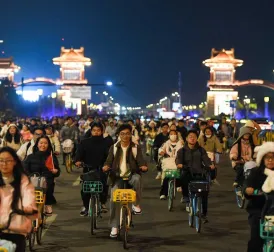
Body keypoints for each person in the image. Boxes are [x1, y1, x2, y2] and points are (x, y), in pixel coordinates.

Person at [102, 124, 148, 238]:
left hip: (131, 175)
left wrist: (143, 166)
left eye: (127, 133)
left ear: (131, 134)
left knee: (137, 179)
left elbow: (141, 161)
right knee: (114, 199)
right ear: (118, 135)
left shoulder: (135, 147)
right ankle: (114, 226)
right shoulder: (114, 147)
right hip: (117, 177)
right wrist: (106, 167)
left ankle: (136, 204)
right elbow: (108, 161)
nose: (125, 136)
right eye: (122, 134)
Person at [0, 147, 37, 252]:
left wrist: (28, 208)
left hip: (15, 228)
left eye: (8, 160)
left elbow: (28, 197)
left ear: (15, 162)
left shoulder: (23, 181)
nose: (4, 164)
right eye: (1, 160)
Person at [176, 130, 213, 222]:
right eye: (190, 136)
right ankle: (186, 197)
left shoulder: (201, 150)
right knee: (183, 176)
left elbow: (206, 160)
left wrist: (210, 165)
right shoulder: (182, 151)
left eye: (194, 137)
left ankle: (204, 214)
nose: (192, 138)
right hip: (187, 172)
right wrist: (179, 164)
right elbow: (178, 161)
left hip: (199, 174)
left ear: (197, 139)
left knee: (204, 193)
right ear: (186, 138)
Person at [244, 142, 274, 252]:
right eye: (268, 158)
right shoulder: (256, 172)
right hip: (258, 212)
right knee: (256, 239)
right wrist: (248, 190)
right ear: (262, 159)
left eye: (273, 158)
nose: (270, 160)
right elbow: (247, 187)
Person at [75, 122, 110, 216]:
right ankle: (86, 206)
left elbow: (110, 156)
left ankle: (102, 203)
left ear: (102, 131)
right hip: (88, 169)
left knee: (104, 187)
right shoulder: (84, 142)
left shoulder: (106, 142)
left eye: (98, 130)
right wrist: (78, 161)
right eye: (94, 130)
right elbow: (79, 154)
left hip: (102, 169)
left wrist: (108, 165)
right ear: (91, 131)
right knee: (85, 190)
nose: (96, 132)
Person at [24, 136, 60, 216]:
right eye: (41, 143)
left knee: (49, 186)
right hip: (33, 180)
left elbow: (57, 171)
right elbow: (25, 169)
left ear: (48, 145)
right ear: (37, 144)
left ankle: (48, 204)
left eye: (45, 143)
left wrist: (55, 171)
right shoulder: (30, 156)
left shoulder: (51, 157)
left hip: (47, 181)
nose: (43, 145)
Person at [159, 130, 183, 199]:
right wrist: (162, 152)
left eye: (174, 134)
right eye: (171, 134)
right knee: (166, 177)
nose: (173, 135)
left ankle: (180, 187)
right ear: (169, 135)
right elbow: (161, 149)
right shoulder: (166, 143)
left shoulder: (180, 143)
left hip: (178, 161)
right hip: (169, 162)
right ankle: (163, 194)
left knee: (180, 174)